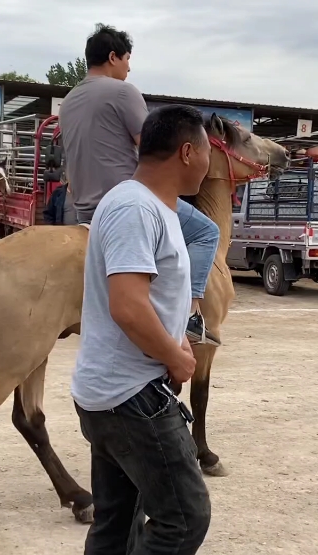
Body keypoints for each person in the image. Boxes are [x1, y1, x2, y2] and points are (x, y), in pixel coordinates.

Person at [73, 103, 211, 555]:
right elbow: (128, 305)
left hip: (114, 393)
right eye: (208, 150)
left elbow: (149, 300)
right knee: (185, 519)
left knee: (115, 524)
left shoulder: (155, 207)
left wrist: (178, 338)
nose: (210, 161)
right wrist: (175, 354)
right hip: (132, 397)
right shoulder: (135, 207)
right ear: (188, 151)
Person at [59, 24, 222, 347]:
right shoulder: (124, 92)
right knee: (207, 232)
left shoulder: (68, 101)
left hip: (83, 206)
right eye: (127, 59)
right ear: (112, 57)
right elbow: (151, 149)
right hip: (129, 201)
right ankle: (189, 316)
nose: (129, 68)